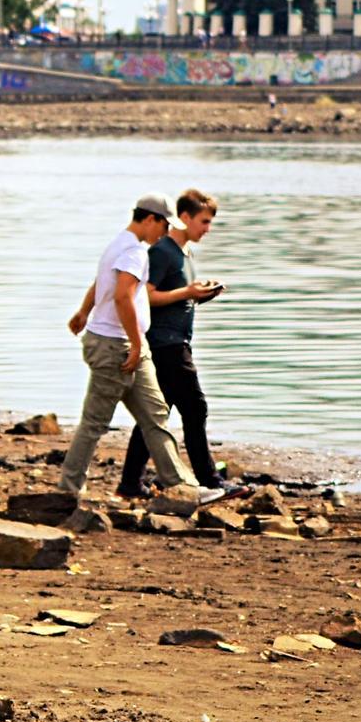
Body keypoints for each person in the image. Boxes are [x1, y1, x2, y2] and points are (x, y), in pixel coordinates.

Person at [58, 192, 241, 521]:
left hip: (127, 345)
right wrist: (136, 342)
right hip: (117, 346)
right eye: (163, 224)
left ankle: (185, 485)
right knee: (94, 423)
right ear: (150, 219)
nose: (164, 232)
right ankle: (68, 490)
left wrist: (83, 311)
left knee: (155, 415)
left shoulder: (120, 244)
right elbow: (123, 297)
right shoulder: (133, 251)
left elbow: (101, 284)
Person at [115, 189, 232, 497]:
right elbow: (145, 297)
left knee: (155, 415)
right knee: (195, 408)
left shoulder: (184, 254)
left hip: (176, 342)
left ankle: (129, 483)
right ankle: (209, 480)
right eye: (204, 222)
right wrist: (188, 293)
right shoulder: (163, 252)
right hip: (166, 345)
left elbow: (178, 300)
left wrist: (201, 295)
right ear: (184, 217)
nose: (207, 229)